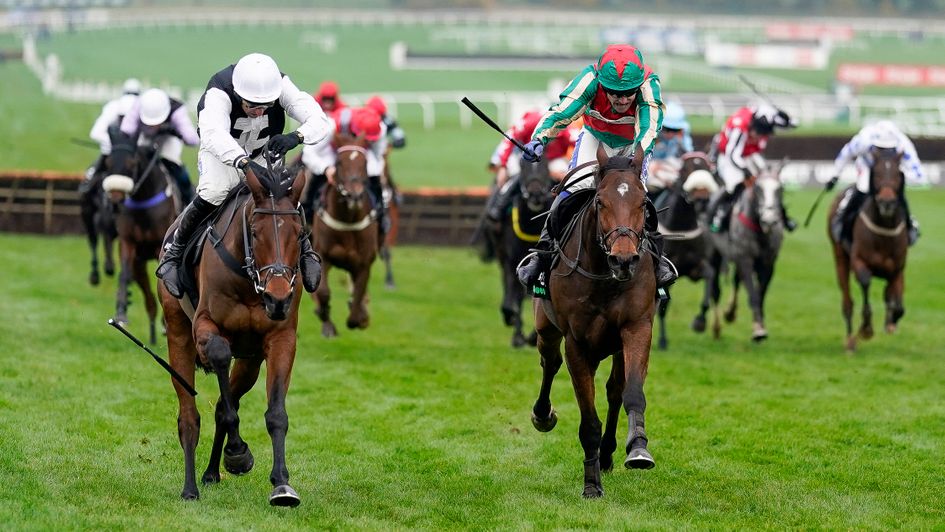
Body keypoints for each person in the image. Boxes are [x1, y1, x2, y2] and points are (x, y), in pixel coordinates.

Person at [155, 52, 333, 299]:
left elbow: (319, 120)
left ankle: (305, 251)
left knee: (285, 197)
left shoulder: (279, 85)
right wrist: (243, 163)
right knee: (214, 191)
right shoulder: (219, 91)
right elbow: (213, 134)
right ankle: (174, 253)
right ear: (238, 94)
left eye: (266, 107)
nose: (260, 112)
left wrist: (296, 137)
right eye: (252, 106)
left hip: (262, 155)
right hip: (221, 154)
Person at [514, 44, 676, 296]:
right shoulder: (589, 79)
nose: (622, 100)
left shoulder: (648, 84)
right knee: (572, 187)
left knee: (637, 194)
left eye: (628, 94)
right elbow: (561, 113)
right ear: (602, 84)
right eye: (614, 93)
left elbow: (649, 128)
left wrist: (636, 158)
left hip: (634, 144)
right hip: (595, 139)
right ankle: (543, 257)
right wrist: (539, 139)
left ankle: (657, 261)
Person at [827, 119, 923, 245]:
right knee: (863, 188)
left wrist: (896, 176)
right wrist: (835, 175)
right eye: (881, 148)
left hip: (891, 170)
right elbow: (845, 154)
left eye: (889, 148)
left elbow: (918, 175)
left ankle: (909, 224)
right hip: (867, 166)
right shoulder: (863, 141)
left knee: (896, 192)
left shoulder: (903, 144)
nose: (885, 152)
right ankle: (842, 217)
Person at [706, 102, 796, 233]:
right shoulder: (740, 126)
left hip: (749, 153)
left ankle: (783, 215)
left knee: (769, 182)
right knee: (734, 184)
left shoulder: (766, 118)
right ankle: (719, 214)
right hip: (727, 155)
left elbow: (793, 124)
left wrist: (786, 117)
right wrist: (747, 172)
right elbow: (733, 155)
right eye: (758, 132)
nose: (759, 136)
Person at [300, 105, 390, 235]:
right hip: (332, 151)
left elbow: (377, 155)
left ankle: (381, 216)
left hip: (362, 155)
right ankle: (307, 217)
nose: (368, 141)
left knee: (374, 175)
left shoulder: (380, 129)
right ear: (355, 129)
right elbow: (308, 153)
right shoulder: (330, 126)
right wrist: (326, 169)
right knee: (317, 177)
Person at [115, 88, 199, 204]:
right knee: (134, 162)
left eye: (156, 123)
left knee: (173, 163)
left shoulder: (177, 110)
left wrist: (174, 130)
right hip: (145, 137)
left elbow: (193, 140)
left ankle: (188, 197)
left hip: (168, 139)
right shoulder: (138, 105)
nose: (153, 126)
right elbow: (126, 131)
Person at [82, 77, 140, 195]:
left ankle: (88, 186)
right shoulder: (137, 106)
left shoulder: (113, 105)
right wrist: (118, 146)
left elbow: (95, 133)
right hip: (124, 152)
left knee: (90, 180)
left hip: (123, 152)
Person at [646, 101, 694, 200]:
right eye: (666, 129)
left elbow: (689, 155)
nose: (670, 134)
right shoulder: (650, 134)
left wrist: (682, 140)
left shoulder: (683, 135)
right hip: (651, 168)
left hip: (670, 168)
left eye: (675, 130)